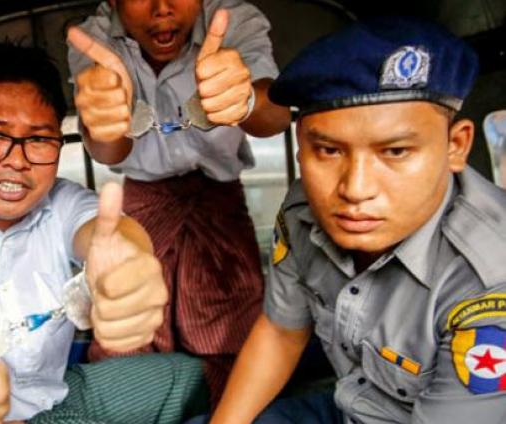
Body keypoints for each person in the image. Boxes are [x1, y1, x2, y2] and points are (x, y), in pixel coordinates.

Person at [0, 43, 208, 423]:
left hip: (60, 399)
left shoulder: (61, 200)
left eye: (38, 140)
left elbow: (106, 232)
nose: (17, 160)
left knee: (191, 376)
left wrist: (128, 264)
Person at [211, 17, 506, 424]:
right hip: (350, 404)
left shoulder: (490, 283)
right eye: (329, 151)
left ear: (456, 146)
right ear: (301, 148)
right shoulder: (303, 212)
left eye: (396, 152)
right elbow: (280, 333)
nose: (355, 189)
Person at [66, 0, 291, 399]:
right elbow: (107, 151)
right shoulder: (94, 39)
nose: (162, 8)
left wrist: (248, 100)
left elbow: (274, 117)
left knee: (231, 334)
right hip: (141, 206)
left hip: (219, 203)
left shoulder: (234, 19)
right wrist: (105, 120)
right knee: (128, 329)